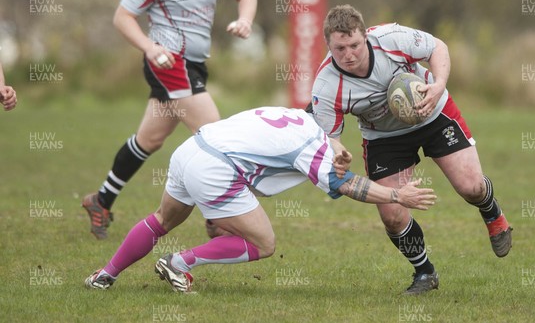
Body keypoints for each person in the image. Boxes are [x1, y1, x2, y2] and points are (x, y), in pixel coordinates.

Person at [84, 106, 437, 291]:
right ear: (329, 125)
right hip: (215, 170)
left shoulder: (292, 116)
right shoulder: (310, 142)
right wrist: (396, 193)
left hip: (189, 151)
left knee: (162, 219)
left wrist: (336, 158)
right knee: (264, 242)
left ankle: (105, 275)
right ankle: (180, 263)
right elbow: (347, 185)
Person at [310, 5, 512, 295]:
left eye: (354, 45)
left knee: (471, 187)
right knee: (391, 214)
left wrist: (439, 85)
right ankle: (425, 273)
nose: (349, 54)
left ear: (365, 36)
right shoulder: (327, 85)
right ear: (328, 44)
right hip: (383, 137)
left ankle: (491, 212)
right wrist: (339, 152)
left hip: (432, 112)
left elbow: (437, 48)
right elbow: (330, 137)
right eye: (340, 48)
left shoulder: (391, 38)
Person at [82, 0, 257, 239]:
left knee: (149, 139)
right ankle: (217, 219)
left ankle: (100, 200)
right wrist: (149, 47)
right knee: (215, 135)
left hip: (194, 63)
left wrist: (245, 19)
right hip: (168, 63)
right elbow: (122, 17)